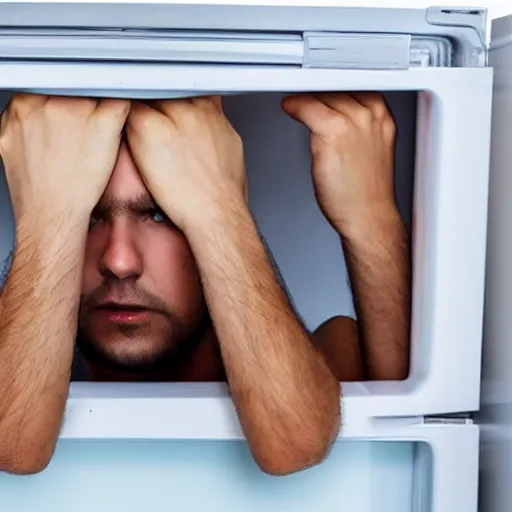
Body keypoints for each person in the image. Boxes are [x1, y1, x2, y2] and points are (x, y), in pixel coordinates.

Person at [0, 92, 410, 476]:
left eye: (159, 214)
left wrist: (372, 222)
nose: (119, 261)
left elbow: (297, 440)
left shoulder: (335, 360)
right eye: (87, 215)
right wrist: (50, 214)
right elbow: (11, 446)